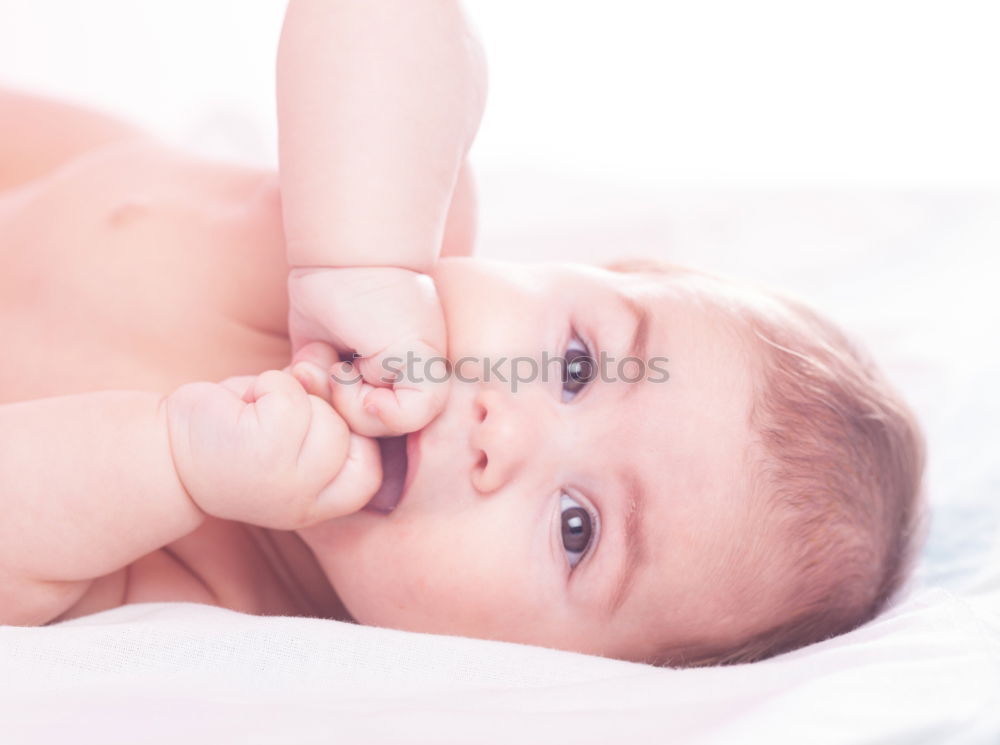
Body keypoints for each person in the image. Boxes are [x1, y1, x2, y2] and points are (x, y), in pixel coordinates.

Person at [0, 0, 926, 667]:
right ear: (603, 269)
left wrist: (178, 460)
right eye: (574, 364)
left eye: (577, 529)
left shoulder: (222, 591)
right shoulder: (386, 222)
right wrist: (354, 262)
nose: (501, 430)